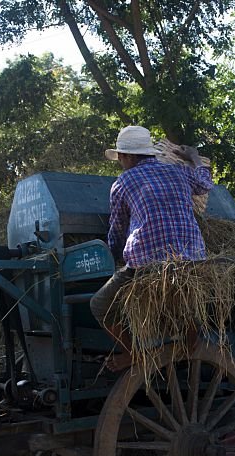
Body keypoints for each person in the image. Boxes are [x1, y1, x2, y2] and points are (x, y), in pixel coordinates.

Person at [90, 125, 214, 371]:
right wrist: (195, 158)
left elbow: (116, 230)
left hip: (149, 264)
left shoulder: (123, 182)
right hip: (193, 259)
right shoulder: (178, 171)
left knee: (99, 305)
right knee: (186, 295)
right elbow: (205, 184)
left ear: (126, 156)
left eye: (120, 158)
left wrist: (114, 257)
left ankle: (136, 354)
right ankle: (190, 341)